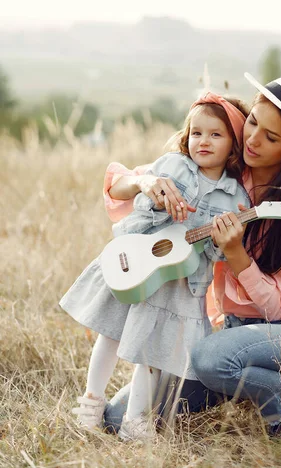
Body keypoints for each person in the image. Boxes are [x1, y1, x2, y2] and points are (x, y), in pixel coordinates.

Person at [101, 70, 281, 437]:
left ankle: (280, 392)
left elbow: (275, 308)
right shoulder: (223, 172)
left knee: (209, 358)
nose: (253, 140)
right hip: (234, 333)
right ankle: (243, 379)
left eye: (270, 137)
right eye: (253, 123)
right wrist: (147, 183)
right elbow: (117, 186)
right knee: (118, 418)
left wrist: (236, 253)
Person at [59, 93, 250, 441]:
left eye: (215, 134)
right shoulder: (173, 166)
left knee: (154, 352)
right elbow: (125, 190)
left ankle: (135, 421)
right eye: (196, 133)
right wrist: (153, 193)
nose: (203, 141)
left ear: (234, 146)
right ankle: (91, 402)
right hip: (139, 263)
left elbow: (224, 254)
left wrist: (224, 241)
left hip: (181, 285)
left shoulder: (236, 198)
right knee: (111, 333)